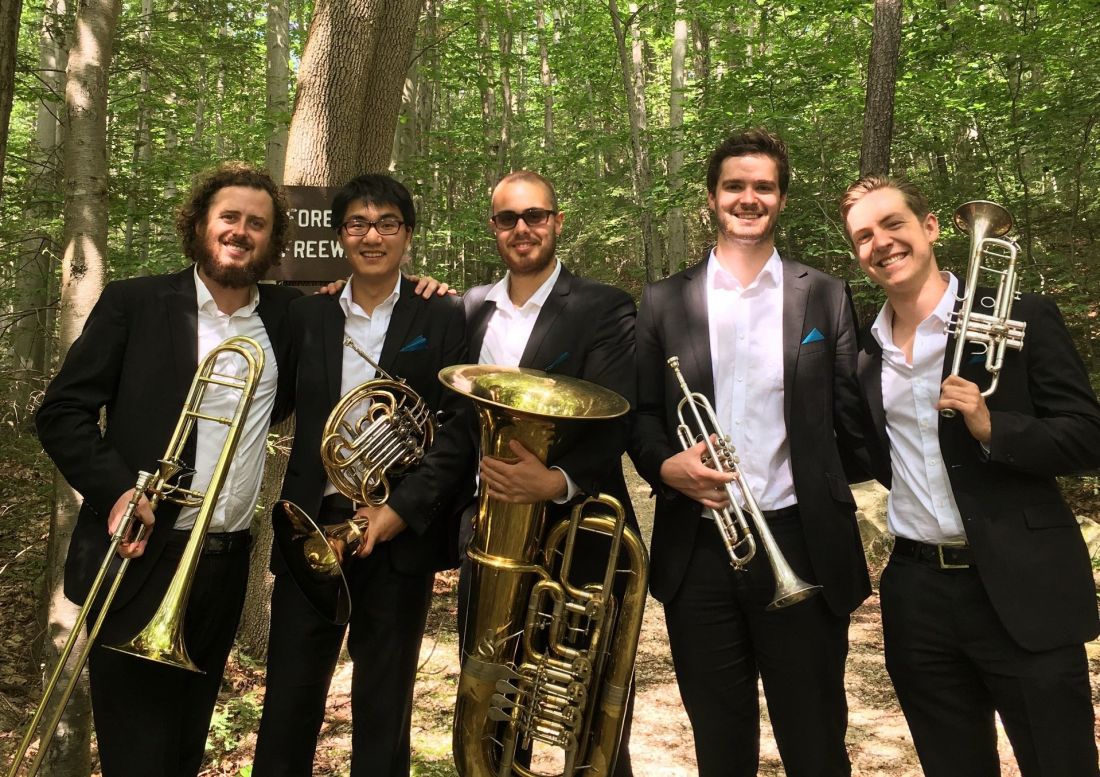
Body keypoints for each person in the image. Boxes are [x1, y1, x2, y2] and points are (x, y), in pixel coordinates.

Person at [35, 162, 301, 777]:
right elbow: (62, 413)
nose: (241, 231)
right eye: (229, 217)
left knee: (184, 746)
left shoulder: (286, 319)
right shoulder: (137, 302)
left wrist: (422, 289)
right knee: (138, 755)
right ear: (201, 225)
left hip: (225, 561)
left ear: (271, 241)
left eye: (256, 224)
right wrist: (119, 491)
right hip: (139, 552)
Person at [841, 175, 1100, 777]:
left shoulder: (1020, 314)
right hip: (916, 592)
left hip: (1020, 581)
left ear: (930, 228)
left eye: (893, 224)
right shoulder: (861, 350)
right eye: (864, 236)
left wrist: (994, 428)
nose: (881, 242)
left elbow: (1089, 434)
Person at [629, 128, 869, 777]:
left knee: (816, 745)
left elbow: (853, 422)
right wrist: (664, 465)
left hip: (800, 541)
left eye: (763, 186)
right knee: (720, 745)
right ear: (712, 197)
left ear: (781, 198)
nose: (748, 197)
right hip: (699, 552)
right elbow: (644, 415)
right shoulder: (662, 300)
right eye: (735, 185)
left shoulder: (824, 294)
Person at [252, 173, 473, 777]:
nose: (372, 236)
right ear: (339, 235)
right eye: (357, 224)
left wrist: (401, 510)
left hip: (397, 530)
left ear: (406, 234)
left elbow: (458, 428)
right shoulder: (309, 315)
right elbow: (274, 402)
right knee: (289, 697)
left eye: (387, 224)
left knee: (385, 702)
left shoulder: (446, 311)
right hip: (313, 526)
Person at [458, 170, 639, 775]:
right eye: (508, 219)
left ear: (557, 222)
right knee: (490, 708)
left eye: (535, 215)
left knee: (589, 720)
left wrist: (556, 480)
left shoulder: (603, 307)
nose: (523, 229)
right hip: (491, 543)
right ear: (494, 229)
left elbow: (616, 418)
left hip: (580, 538)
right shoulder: (468, 309)